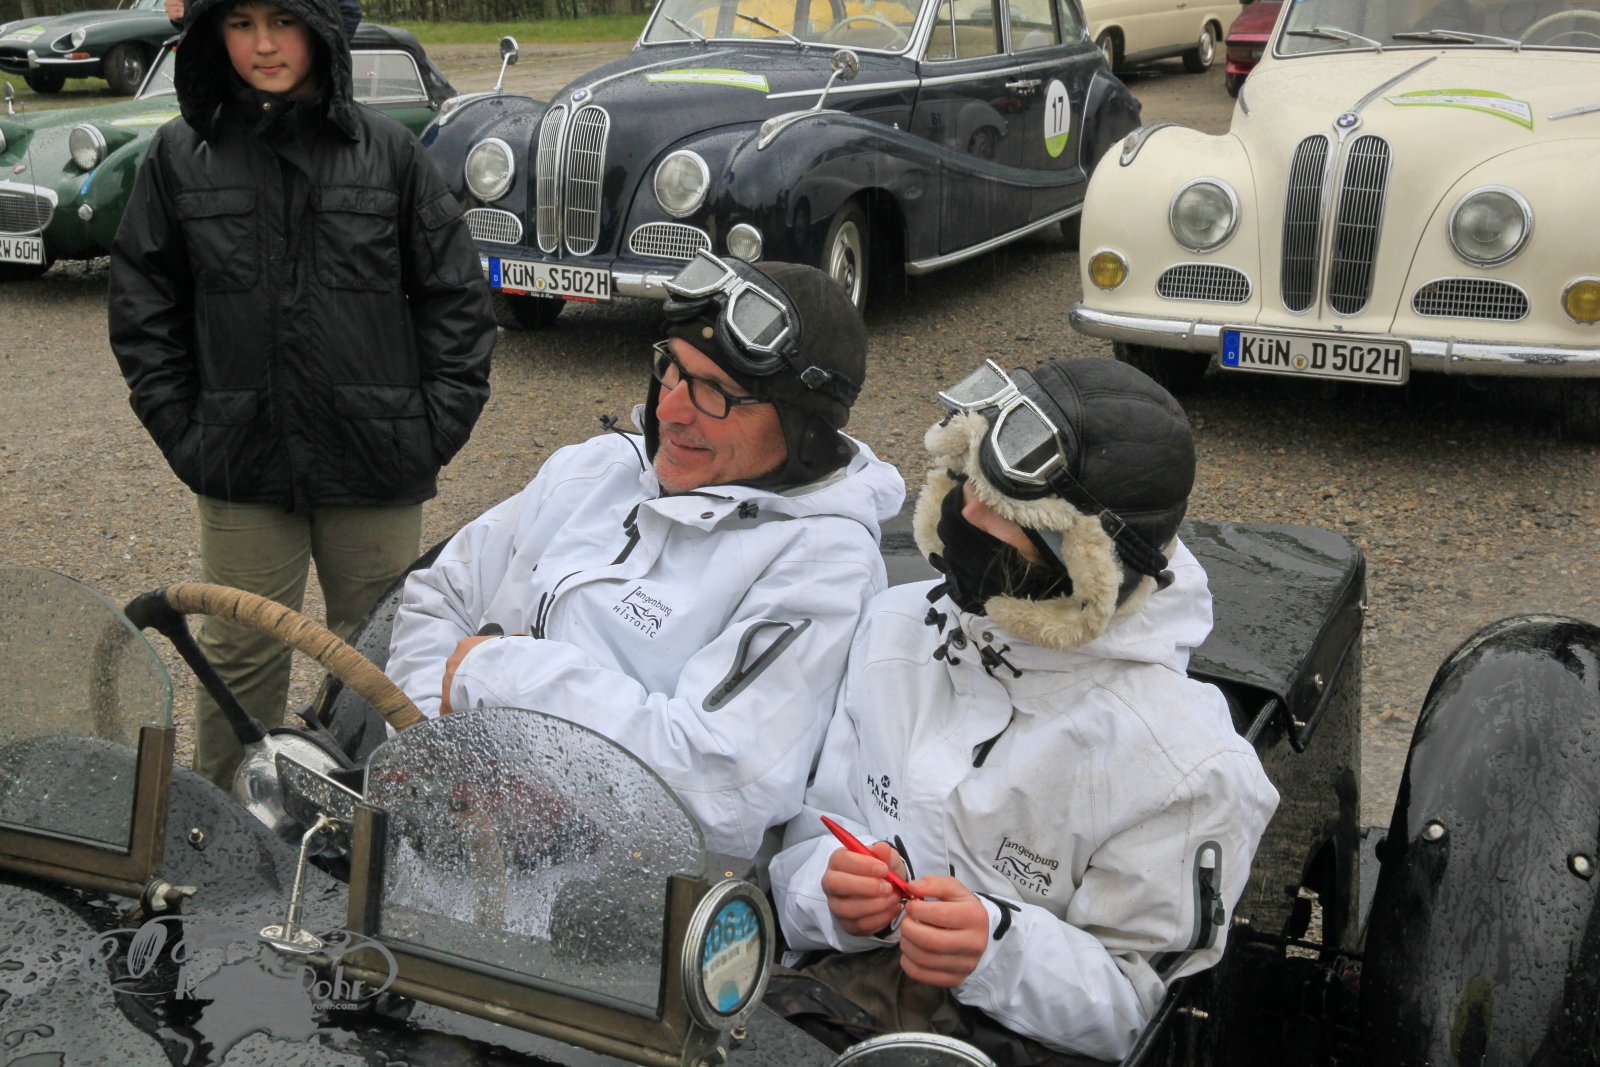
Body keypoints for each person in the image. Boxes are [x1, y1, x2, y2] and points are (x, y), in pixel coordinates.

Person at [766, 358, 1279, 1064]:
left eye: (1006, 514)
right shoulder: (895, 628)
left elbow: (1140, 1011)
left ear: (1080, 565)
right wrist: (829, 891)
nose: (966, 515)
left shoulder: (1186, 768)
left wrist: (996, 950)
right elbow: (807, 837)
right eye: (970, 483)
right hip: (829, 1005)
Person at [385, 253, 907, 862]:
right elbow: (440, 597)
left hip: (620, 898)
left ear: (803, 428)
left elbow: (724, 784)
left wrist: (496, 679)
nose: (671, 411)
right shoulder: (597, 467)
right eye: (672, 370)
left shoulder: (823, 562)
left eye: (715, 393)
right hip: (453, 839)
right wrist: (443, 756)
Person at [109, 0, 495, 790]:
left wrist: (430, 431)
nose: (263, 44)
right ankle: (221, 830)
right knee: (240, 651)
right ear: (213, 33)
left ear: (319, 28)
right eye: (241, 23)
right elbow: (144, 306)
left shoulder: (389, 153)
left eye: (284, 20)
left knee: (377, 660)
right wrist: (188, 431)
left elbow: (456, 299)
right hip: (241, 460)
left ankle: (375, 836)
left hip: (377, 462)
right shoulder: (180, 156)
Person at [167, 0, 361, 40]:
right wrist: (184, 17)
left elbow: (347, 12)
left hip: (309, 100)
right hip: (232, 94)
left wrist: (320, 52)